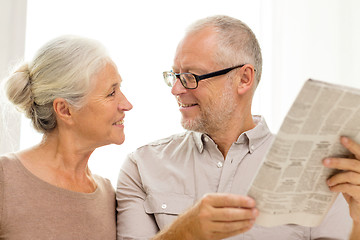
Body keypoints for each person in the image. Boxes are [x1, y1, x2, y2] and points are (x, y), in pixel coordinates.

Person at [116, 15, 360, 239]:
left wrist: (358, 221)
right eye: (175, 75)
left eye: (191, 76)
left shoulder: (317, 169)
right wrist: (185, 231)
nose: (176, 89)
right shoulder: (142, 166)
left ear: (244, 78)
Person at [0, 35, 132, 239]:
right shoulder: (4, 179)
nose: (126, 104)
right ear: (65, 110)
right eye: (111, 93)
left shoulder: (108, 196)